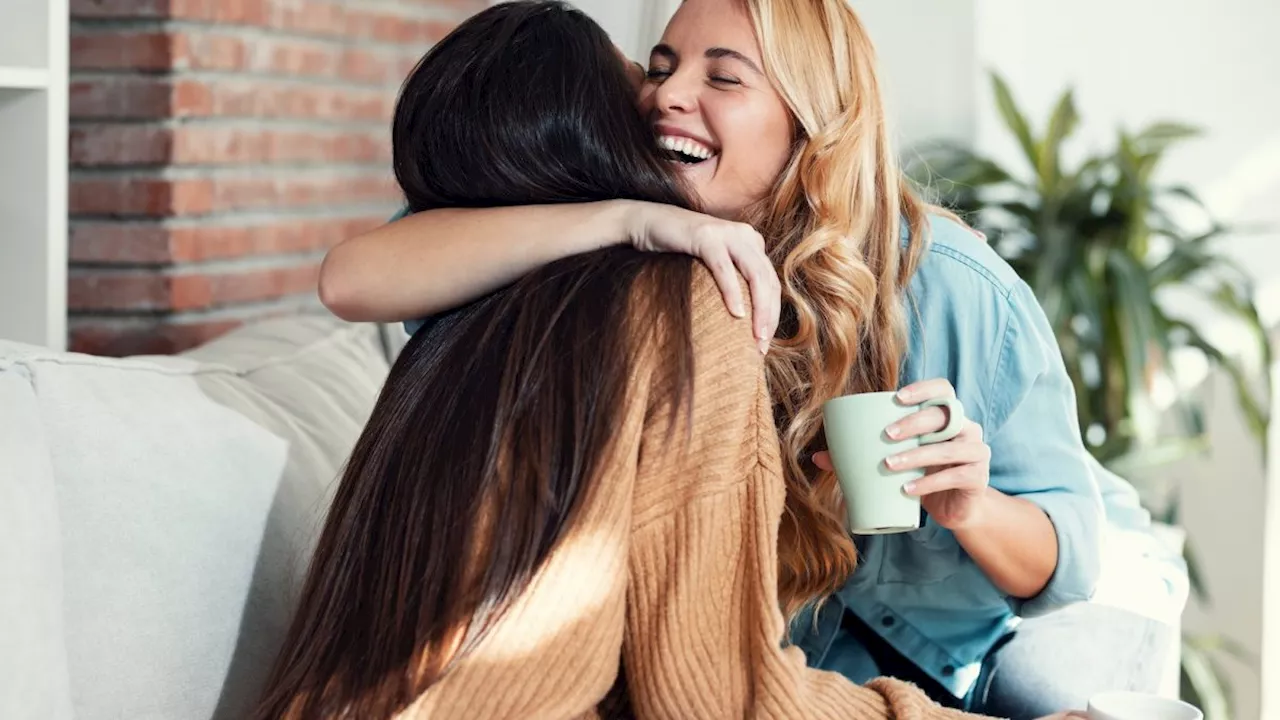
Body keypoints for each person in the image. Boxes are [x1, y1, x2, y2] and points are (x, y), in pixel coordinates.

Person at [317, 0, 1182, 717]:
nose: (667, 97)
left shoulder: (949, 290)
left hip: (967, 636)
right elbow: (355, 277)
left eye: (723, 78)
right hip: (786, 659)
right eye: (659, 68)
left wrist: (968, 506)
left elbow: (1065, 564)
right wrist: (629, 219)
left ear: (813, 131)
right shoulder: (633, 252)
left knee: (1066, 693)